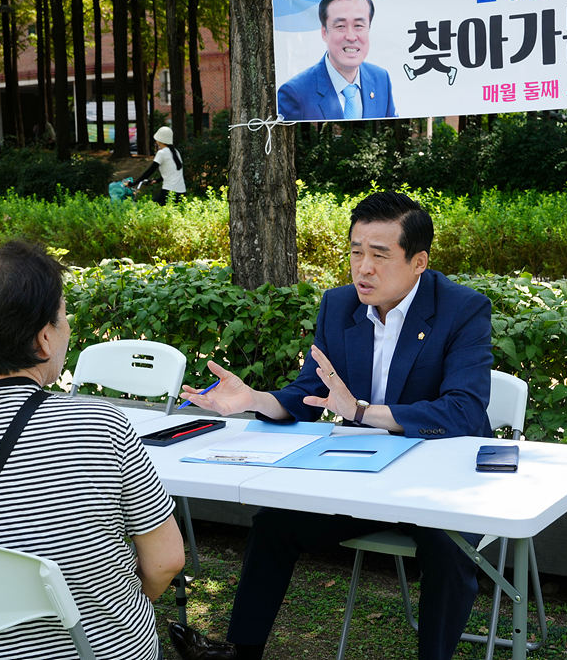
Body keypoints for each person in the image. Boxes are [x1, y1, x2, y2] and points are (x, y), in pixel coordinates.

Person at [169, 192, 493, 660]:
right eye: (356, 252)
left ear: (419, 261)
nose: (363, 268)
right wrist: (254, 400)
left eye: (379, 255)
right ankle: (241, 653)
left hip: (437, 483)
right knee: (274, 523)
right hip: (360, 477)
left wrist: (361, 411)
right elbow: (309, 394)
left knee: (448, 548)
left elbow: (463, 411)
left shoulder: (462, 309)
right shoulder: (339, 306)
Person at [0, 240, 184, 660]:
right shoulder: (103, 424)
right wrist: (121, 609)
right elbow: (166, 561)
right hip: (95, 651)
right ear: (44, 339)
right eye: (64, 319)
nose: (67, 329)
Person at [277, 0, 397, 121]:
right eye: (340, 26)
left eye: (359, 25)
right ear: (324, 32)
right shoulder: (295, 93)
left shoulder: (381, 79)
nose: (351, 37)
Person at [139, 126, 187, 205]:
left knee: (151, 209)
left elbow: (150, 171)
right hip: (182, 192)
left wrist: (133, 183)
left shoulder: (162, 153)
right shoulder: (176, 152)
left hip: (168, 191)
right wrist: (157, 180)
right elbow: (173, 172)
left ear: (159, 140)